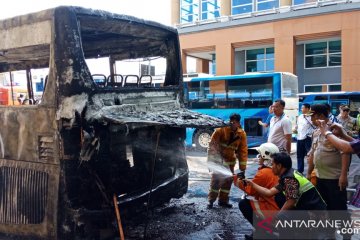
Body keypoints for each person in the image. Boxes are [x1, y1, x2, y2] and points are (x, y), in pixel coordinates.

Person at [244, 152, 327, 239]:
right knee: (280, 202)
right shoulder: (288, 174)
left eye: (273, 165)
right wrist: (252, 184)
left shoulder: (289, 178)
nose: (271, 167)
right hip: (308, 210)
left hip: (315, 214)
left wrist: (278, 216)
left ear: (279, 166)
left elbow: (291, 201)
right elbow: (269, 192)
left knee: (283, 217)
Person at [306, 104, 352, 239]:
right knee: (325, 208)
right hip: (320, 177)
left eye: (312, 116)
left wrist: (343, 175)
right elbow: (313, 154)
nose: (311, 119)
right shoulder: (315, 132)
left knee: (339, 210)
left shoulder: (336, 129)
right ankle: (330, 234)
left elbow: (345, 152)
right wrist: (309, 173)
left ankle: (346, 235)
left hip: (335, 178)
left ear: (320, 116)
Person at [233, 143, 285, 239]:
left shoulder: (264, 173)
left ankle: (264, 231)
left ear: (266, 157)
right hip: (282, 210)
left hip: (273, 210)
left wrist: (237, 181)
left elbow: (250, 190)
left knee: (244, 204)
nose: (258, 157)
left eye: (260, 155)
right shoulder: (278, 170)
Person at [207, 113, 248, 208]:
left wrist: (243, 168)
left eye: (235, 122)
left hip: (230, 163)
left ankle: (223, 201)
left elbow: (243, 151)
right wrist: (211, 162)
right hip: (219, 162)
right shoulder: (220, 130)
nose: (232, 123)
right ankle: (211, 201)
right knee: (215, 182)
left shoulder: (241, 134)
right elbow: (212, 146)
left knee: (227, 182)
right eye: (231, 121)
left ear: (238, 123)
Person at [294, 103, 315, 174]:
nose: (301, 109)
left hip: (307, 138)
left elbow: (315, 126)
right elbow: (297, 126)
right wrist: (295, 129)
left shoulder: (312, 117)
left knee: (310, 155)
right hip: (299, 138)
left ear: (307, 109)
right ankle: (300, 171)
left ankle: (312, 171)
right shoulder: (300, 116)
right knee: (299, 156)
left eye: (302, 108)